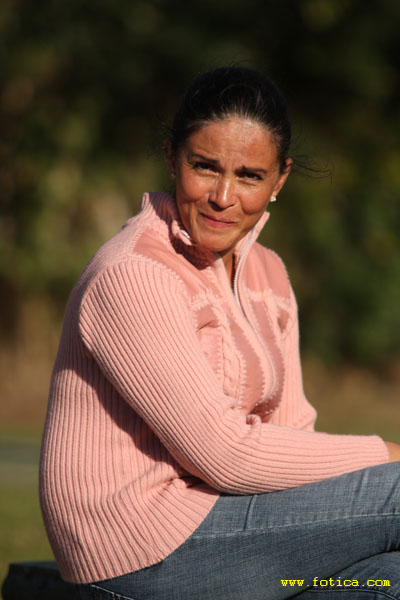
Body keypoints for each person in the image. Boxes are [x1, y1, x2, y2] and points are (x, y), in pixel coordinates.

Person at [39, 66, 400, 600]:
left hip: (226, 530)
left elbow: (292, 432)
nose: (223, 196)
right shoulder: (133, 275)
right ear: (172, 157)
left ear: (279, 180)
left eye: (250, 176)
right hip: (142, 553)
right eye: (204, 167)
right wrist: (386, 454)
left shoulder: (268, 274)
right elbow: (225, 456)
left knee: (387, 579)